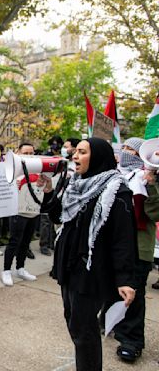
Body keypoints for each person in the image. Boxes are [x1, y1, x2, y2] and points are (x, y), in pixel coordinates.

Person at [46, 137, 137, 371]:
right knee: (74, 322)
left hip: (91, 271)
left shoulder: (116, 190)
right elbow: (58, 218)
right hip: (69, 266)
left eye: (82, 152)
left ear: (97, 157)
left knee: (83, 329)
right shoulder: (76, 184)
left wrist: (125, 279)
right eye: (75, 152)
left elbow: (123, 239)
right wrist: (49, 191)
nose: (75, 156)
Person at [102, 137, 159, 362]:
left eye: (131, 150)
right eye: (123, 147)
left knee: (134, 296)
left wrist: (151, 186)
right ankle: (108, 320)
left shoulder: (151, 181)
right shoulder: (117, 176)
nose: (125, 152)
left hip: (138, 247)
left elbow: (155, 215)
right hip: (114, 245)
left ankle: (131, 341)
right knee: (109, 285)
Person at [1, 142, 47, 287]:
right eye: (25, 153)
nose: (29, 156)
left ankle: (20, 268)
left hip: (32, 212)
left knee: (26, 242)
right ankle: (6, 270)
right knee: (14, 241)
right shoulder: (12, 169)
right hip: (17, 212)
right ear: (18, 152)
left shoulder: (39, 171)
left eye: (31, 153)